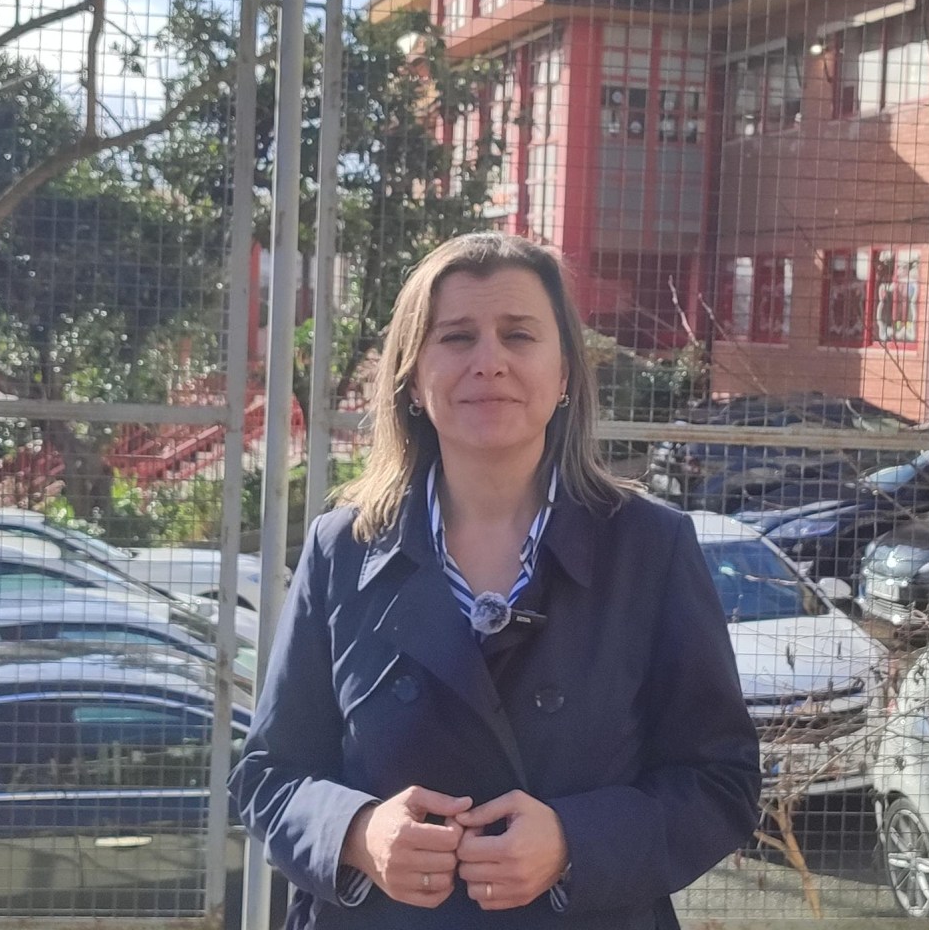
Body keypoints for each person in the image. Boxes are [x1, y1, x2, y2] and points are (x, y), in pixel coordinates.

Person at [231, 233, 761, 928]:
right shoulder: (343, 550)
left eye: (519, 335)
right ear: (412, 378)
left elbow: (720, 781)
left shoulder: (650, 548)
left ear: (564, 374)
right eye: (456, 337)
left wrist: (573, 842)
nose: (489, 361)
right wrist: (358, 834)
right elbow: (268, 776)